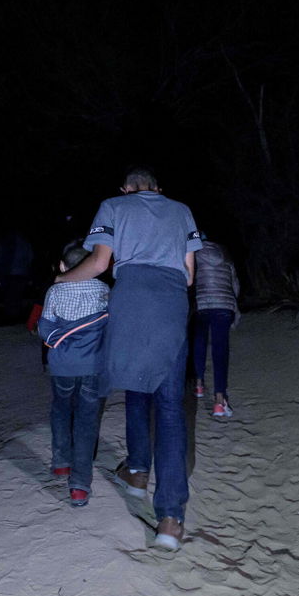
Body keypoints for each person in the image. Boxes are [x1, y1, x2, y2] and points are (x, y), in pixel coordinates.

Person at [56, 166, 202, 550]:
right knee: (169, 405)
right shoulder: (181, 210)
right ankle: (170, 519)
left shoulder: (113, 206)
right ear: (158, 187)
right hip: (170, 301)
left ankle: (138, 471)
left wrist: (61, 280)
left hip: (132, 298)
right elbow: (189, 276)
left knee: (137, 384)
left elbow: (100, 264)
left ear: (126, 188)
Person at [38, 241, 110, 508]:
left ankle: (60, 463)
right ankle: (80, 486)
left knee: (60, 409)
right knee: (86, 420)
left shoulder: (55, 292)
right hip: (92, 367)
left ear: (62, 266)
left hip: (62, 367)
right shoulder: (105, 291)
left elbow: (45, 327)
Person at [190, 234, 240, 418]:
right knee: (220, 350)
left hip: (202, 303)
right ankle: (219, 400)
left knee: (199, 343)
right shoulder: (225, 254)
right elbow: (235, 284)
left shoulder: (194, 253)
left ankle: (199, 384)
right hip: (224, 305)